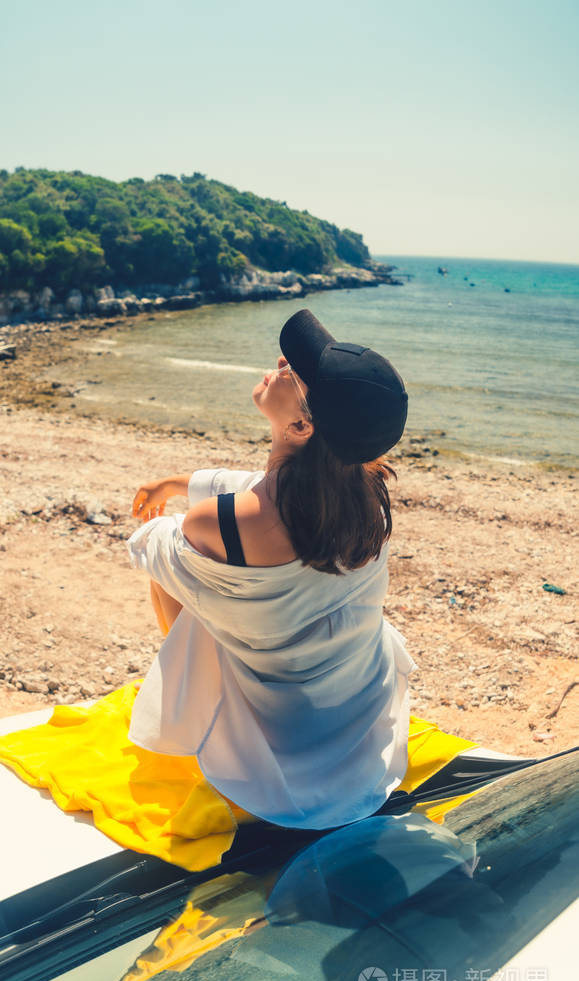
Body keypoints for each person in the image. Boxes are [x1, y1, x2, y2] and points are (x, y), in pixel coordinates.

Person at [127, 308, 414, 830]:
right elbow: (269, 492)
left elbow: (147, 545)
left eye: (294, 372)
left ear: (301, 425)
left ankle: (197, 707)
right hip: (356, 709)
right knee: (206, 572)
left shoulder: (219, 525)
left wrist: (173, 516)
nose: (282, 362)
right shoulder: (365, 493)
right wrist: (178, 483)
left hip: (280, 737)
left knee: (179, 577)